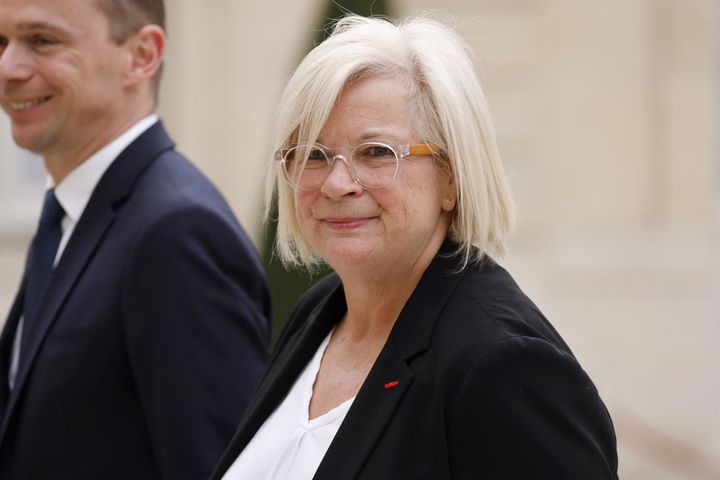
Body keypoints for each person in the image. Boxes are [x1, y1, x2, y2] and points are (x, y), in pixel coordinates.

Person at [211, 14, 619, 480]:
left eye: (377, 152)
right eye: (313, 155)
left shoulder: (504, 364)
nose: (337, 183)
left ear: (452, 176)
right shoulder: (320, 313)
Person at [0, 0, 271, 478]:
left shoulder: (177, 231)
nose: (8, 68)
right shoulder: (68, 216)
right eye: (0, 43)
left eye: (42, 40)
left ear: (142, 55)